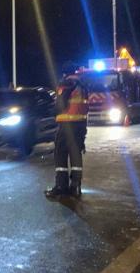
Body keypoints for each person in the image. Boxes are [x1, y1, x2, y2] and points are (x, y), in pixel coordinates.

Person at [46, 71, 89, 199]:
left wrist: (52, 111)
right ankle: (75, 186)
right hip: (80, 124)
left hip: (66, 124)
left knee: (60, 154)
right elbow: (86, 107)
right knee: (76, 154)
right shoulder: (83, 86)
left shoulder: (66, 84)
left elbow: (61, 105)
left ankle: (61, 186)